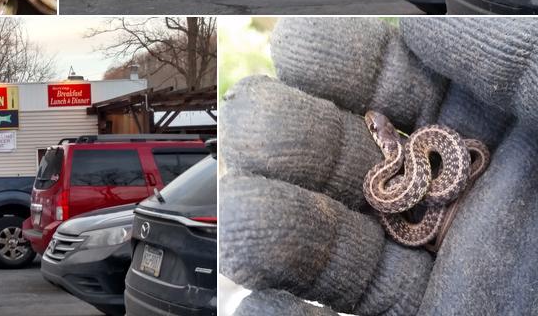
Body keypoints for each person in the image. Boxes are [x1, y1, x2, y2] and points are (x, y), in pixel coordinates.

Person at [221, 17, 538, 315]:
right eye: (375, 127)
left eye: (375, 128)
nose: (374, 125)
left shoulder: (410, 154)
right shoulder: (399, 164)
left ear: (383, 139)